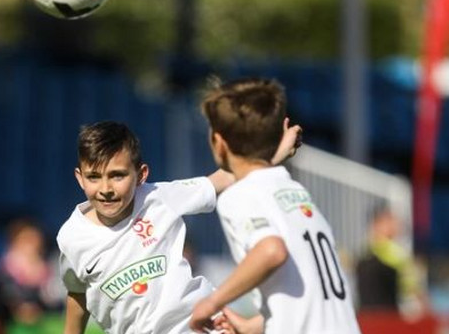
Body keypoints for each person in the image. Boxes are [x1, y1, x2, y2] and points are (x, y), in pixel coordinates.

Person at [57, 120, 300, 334]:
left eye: (118, 175)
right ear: (80, 178)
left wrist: (276, 152)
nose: (106, 188)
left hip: (201, 326)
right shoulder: (72, 238)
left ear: (141, 175)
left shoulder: (159, 197)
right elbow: (77, 292)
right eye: (94, 177)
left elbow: (222, 178)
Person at [190, 77, 361, 333]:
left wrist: (211, 302)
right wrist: (251, 327)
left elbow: (271, 251)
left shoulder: (240, 196)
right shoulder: (294, 191)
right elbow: (307, 294)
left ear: (219, 143)